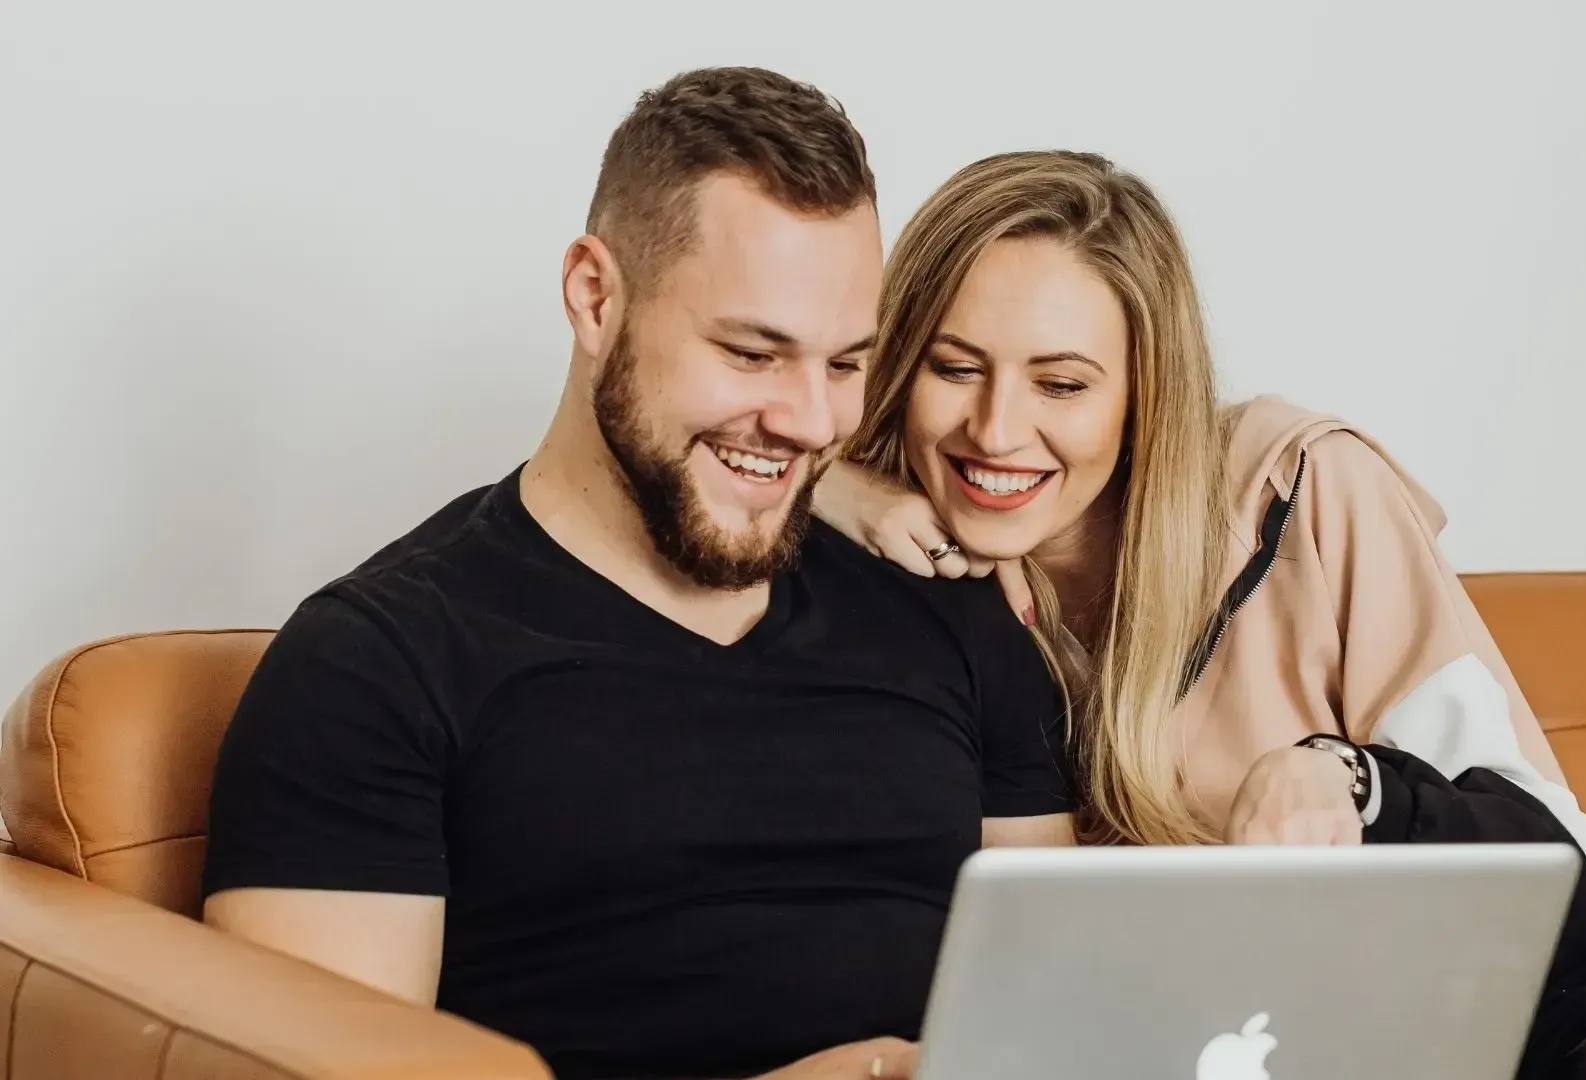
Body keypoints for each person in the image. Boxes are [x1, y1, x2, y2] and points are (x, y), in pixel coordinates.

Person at [813, 148, 1586, 1080]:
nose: (996, 428)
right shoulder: (886, 575)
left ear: (1142, 393)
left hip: (1552, 1012)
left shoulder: (1303, 489)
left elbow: (1559, 866)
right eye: (954, 368)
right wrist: (824, 482)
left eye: (1062, 383)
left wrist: (1350, 778)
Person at [198, 68, 1076, 1080]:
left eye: (844, 365)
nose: (811, 422)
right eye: (752, 353)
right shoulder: (374, 667)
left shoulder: (949, 616)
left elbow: (1055, 1009)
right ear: (595, 297)